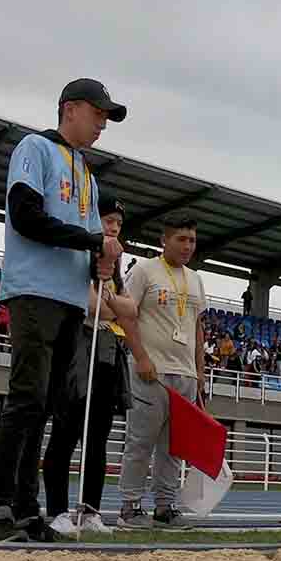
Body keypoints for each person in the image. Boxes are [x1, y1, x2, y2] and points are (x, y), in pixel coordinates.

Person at [0, 77, 126, 543]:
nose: (102, 124)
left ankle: (27, 508)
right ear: (70, 109)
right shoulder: (35, 148)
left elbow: (89, 241)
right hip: (34, 291)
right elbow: (25, 215)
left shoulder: (88, 175)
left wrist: (101, 260)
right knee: (26, 398)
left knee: (45, 407)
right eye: (98, 113)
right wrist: (91, 241)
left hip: (70, 302)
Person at [43, 194, 136, 524]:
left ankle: (91, 511)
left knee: (98, 437)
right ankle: (57, 510)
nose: (114, 227)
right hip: (77, 351)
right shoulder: (79, 255)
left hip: (107, 354)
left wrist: (110, 299)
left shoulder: (115, 269)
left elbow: (130, 310)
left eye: (119, 223)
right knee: (65, 432)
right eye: (108, 220)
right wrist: (112, 305)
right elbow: (93, 306)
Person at [117, 213, 208, 529]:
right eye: (181, 239)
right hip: (151, 371)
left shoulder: (195, 279)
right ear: (164, 241)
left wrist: (200, 372)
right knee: (140, 441)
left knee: (174, 447)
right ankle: (130, 507)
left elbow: (197, 327)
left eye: (192, 240)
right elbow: (126, 316)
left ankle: (165, 507)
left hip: (186, 375)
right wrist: (141, 357)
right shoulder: (144, 270)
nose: (187, 246)